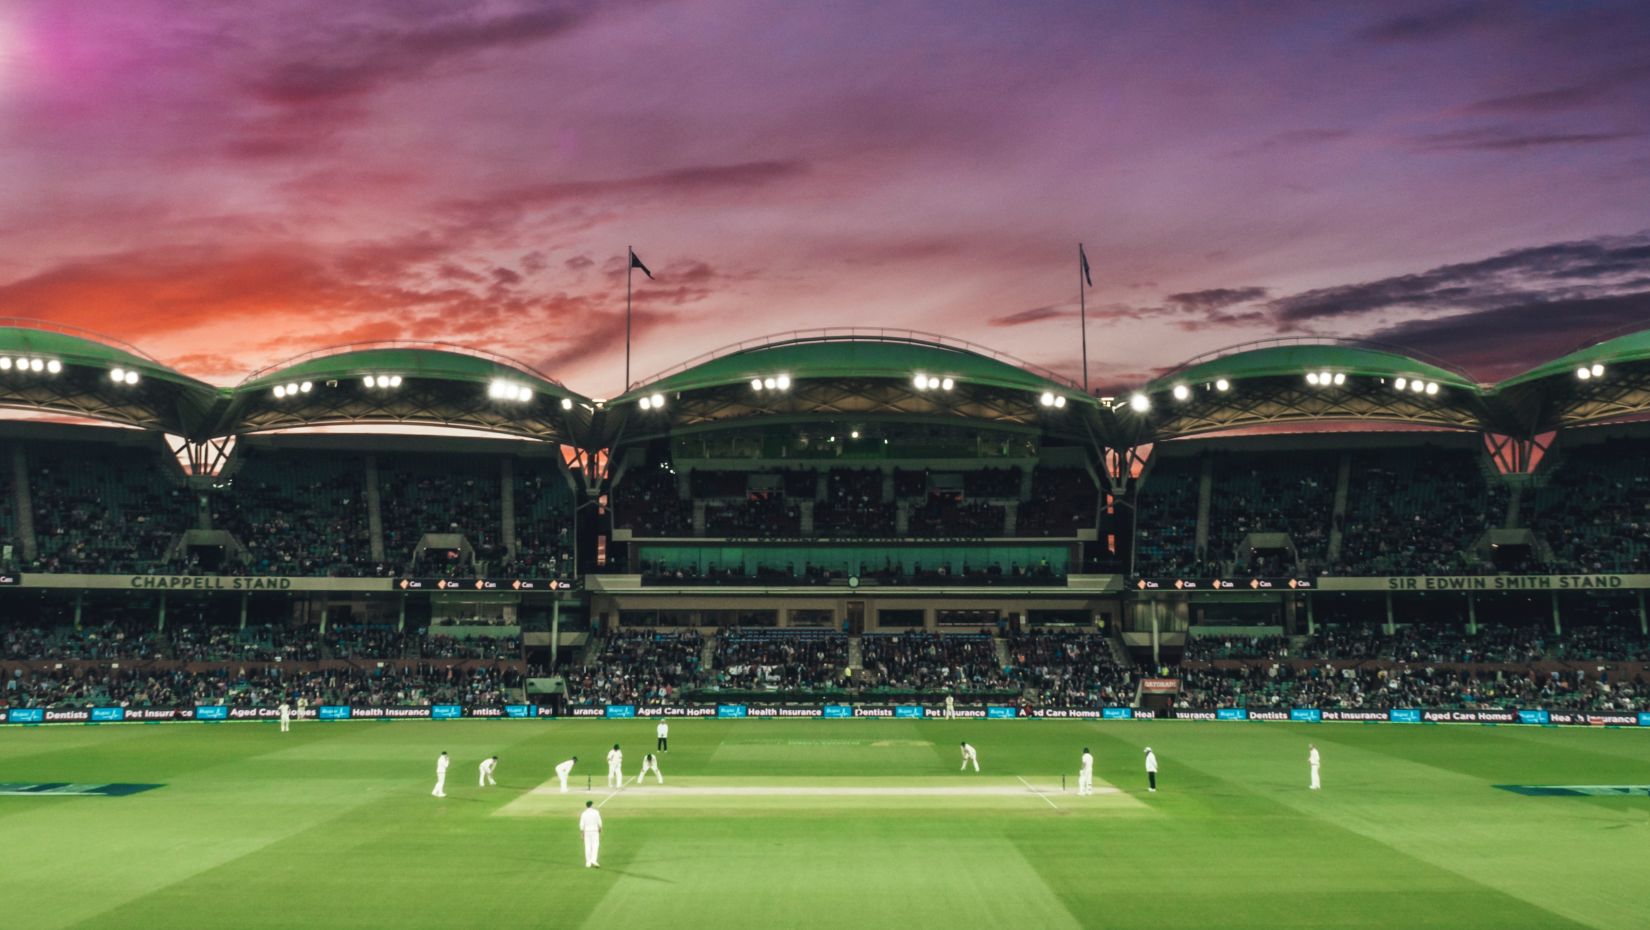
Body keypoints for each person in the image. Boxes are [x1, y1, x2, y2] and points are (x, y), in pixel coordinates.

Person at [579, 800, 603, 868]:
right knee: (595, 846)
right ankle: (593, 860)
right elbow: (599, 822)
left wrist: (581, 832)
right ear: (591, 805)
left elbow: (581, 824)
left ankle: (588, 863)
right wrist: (600, 828)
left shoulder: (583, 813)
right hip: (595, 831)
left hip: (587, 832)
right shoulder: (596, 812)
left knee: (587, 846)